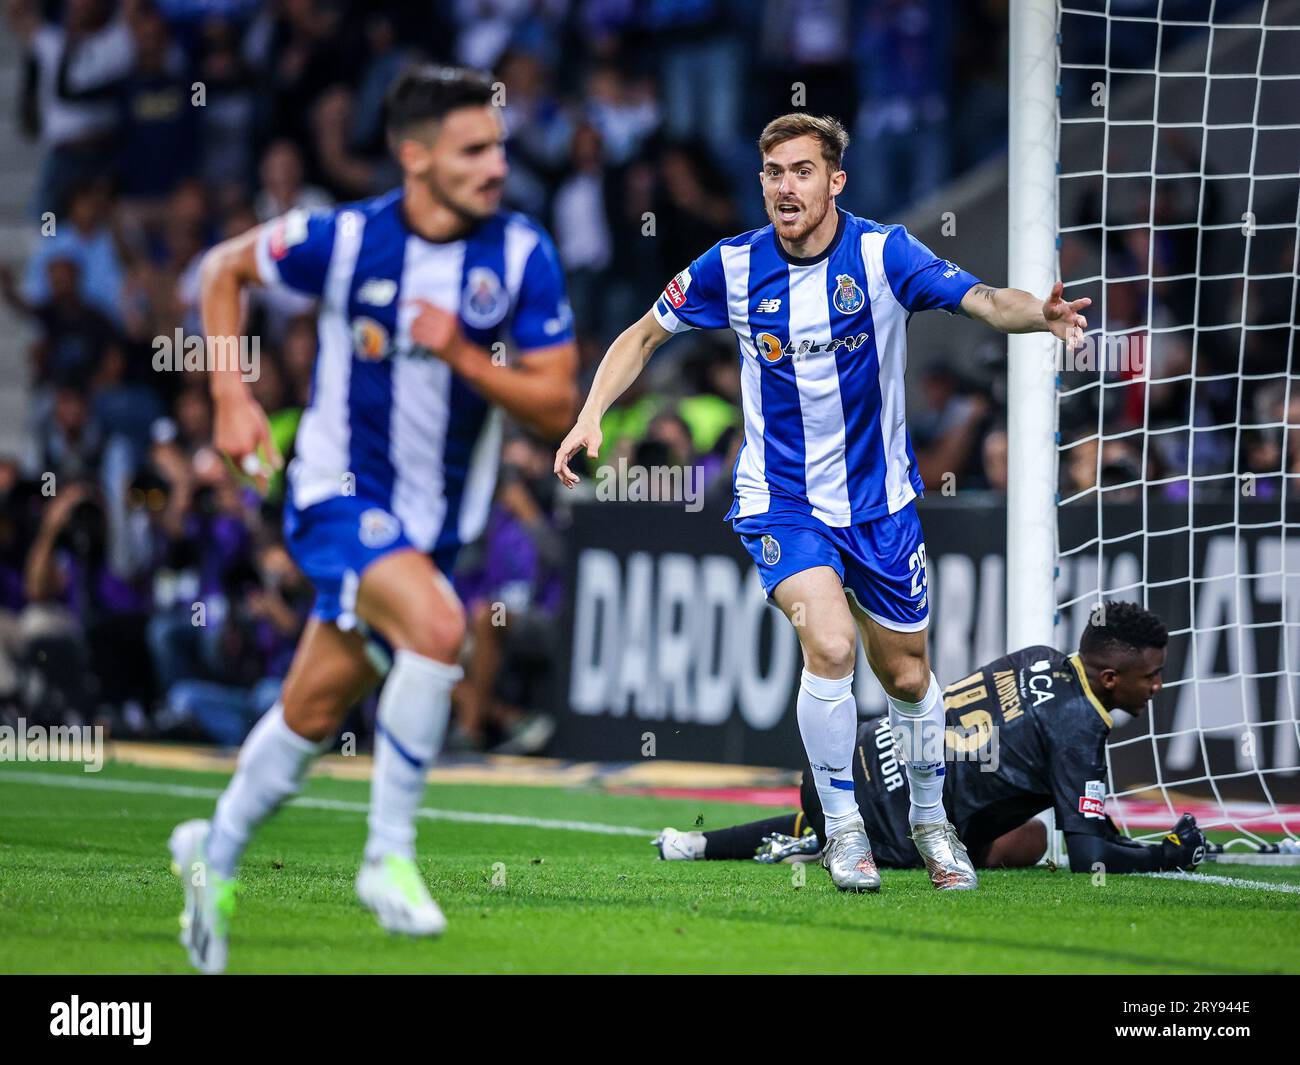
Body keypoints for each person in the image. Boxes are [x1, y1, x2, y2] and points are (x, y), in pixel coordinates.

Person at [556, 112, 1090, 894]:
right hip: (781, 499)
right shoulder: (731, 266)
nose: (785, 187)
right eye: (773, 173)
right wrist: (591, 412)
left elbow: (979, 298)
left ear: (835, 181)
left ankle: (933, 821)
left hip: (880, 504)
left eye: (802, 171)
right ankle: (843, 830)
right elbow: (642, 334)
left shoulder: (882, 253)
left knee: (908, 677)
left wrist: (1036, 316)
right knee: (830, 646)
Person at [168, 65, 577, 974]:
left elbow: (557, 405)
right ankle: (387, 855)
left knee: (312, 706)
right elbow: (226, 269)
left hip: (433, 527)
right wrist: (231, 398)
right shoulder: (346, 239)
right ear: (415, 156)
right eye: (474, 151)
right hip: (335, 494)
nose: (495, 166)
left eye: (500, 147)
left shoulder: (520, 254)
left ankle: (214, 852)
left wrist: (465, 356)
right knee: (440, 628)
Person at [656, 602, 1208, 879]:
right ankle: (825, 845)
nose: (1159, 686)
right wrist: (1168, 854)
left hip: (849, 763)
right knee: (1028, 839)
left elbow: (1092, 825)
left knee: (1026, 837)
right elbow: (1089, 853)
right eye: (1152, 675)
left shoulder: (1040, 657)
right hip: (897, 825)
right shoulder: (1077, 727)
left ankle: (701, 842)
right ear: (1110, 679)